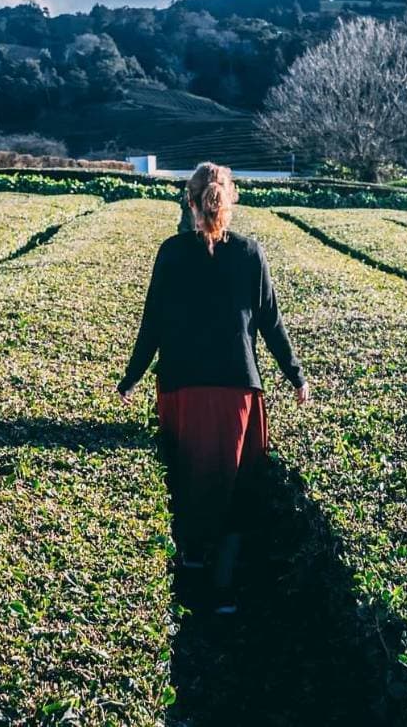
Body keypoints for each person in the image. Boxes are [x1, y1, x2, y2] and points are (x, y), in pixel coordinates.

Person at [116, 161, 310, 614]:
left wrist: (130, 378)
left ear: (190, 201)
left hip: (181, 387)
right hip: (237, 391)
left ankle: (188, 574)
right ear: (231, 199)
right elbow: (271, 324)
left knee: (187, 481)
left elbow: (153, 326)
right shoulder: (249, 253)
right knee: (232, 486)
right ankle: (223, 590)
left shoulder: (170, 252)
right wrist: (296, 375)